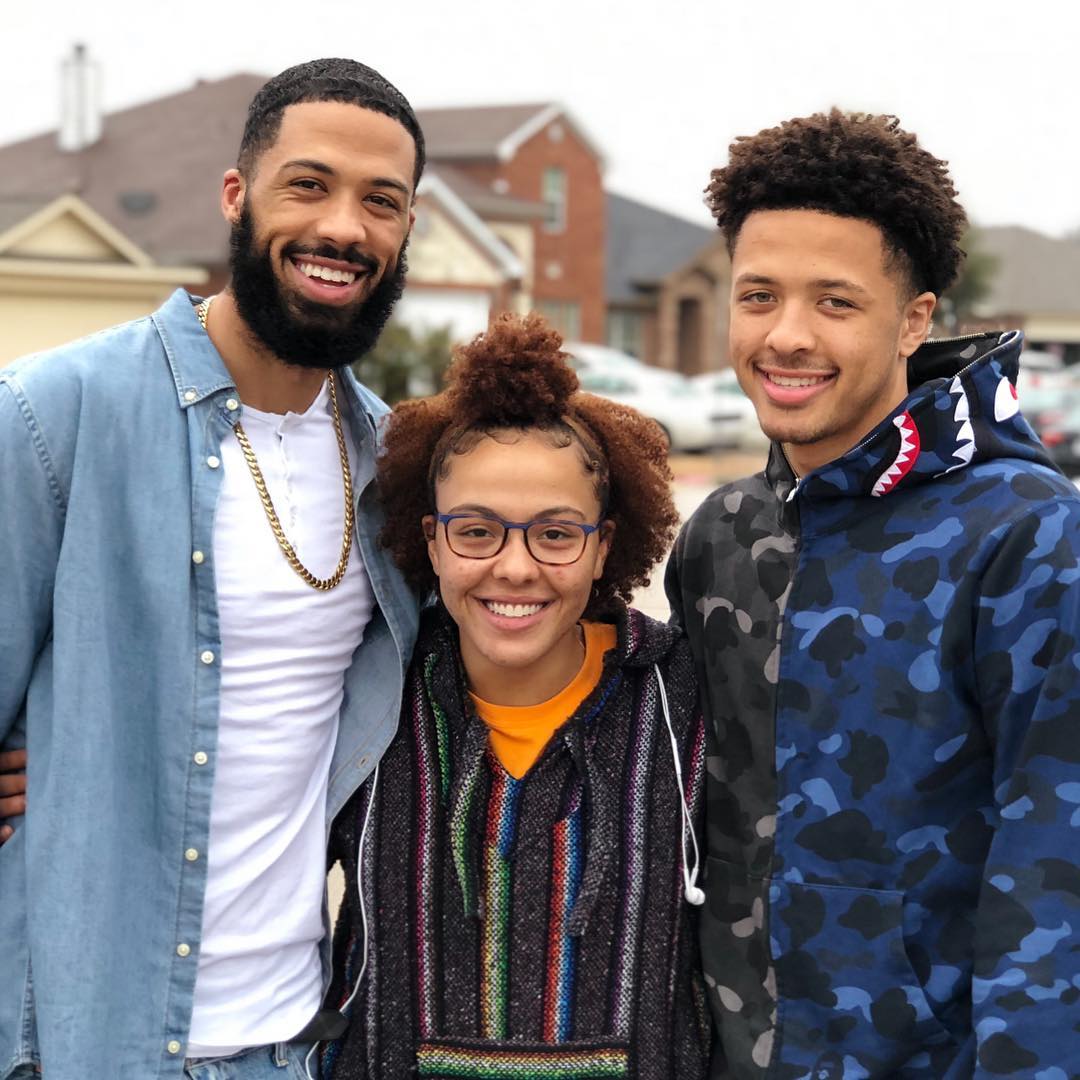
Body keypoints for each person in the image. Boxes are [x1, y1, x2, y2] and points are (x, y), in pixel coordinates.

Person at [0, 59, 422, 1079]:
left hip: (292, 1042)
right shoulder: (51, 415)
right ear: (237, 195)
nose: (344, 228)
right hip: (81, 1038)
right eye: (308, 184)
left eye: (382, 202)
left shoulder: (396, 462)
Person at [665, 108, 1080, 1078]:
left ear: (916, 318)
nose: (787, 336)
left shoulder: (1024, 531)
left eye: (836, 302)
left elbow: (1058, 850)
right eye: (758, 295)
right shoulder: (720, 535)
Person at [317, 314, 712, 1079]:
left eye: (556, 534)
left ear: (604, 545)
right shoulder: (365, 695)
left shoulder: (685, 704)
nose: (516, 567)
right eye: (476, 532)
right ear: (429, 540)